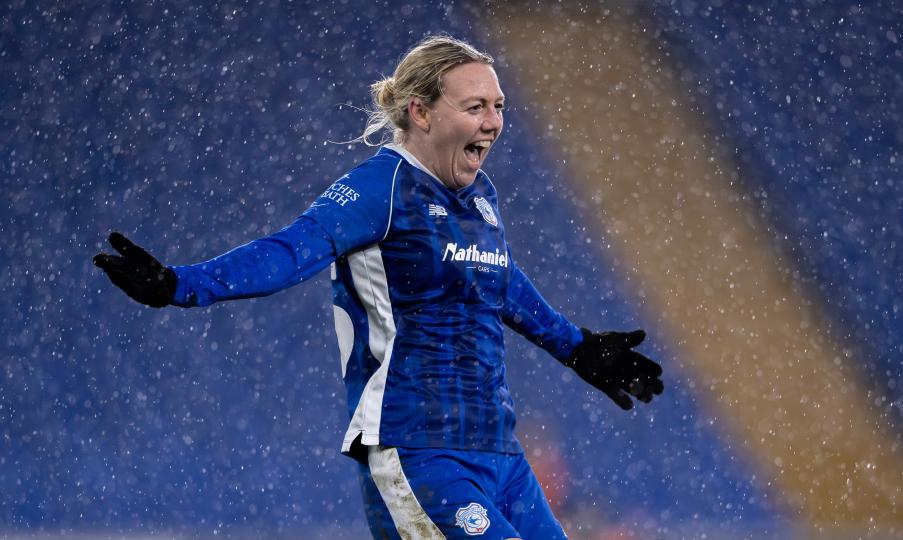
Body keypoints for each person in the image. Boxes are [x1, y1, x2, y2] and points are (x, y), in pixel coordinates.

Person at [93, 35, 663, 540]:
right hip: (418, 451)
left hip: (500, 452)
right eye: (475, 107)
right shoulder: (379, 190)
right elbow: (290, 251)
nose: (493, 122)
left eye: (498, 107)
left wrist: (578, 347)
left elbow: (498, 280)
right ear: (421, 112)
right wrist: (181, 284)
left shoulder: (480, 196)